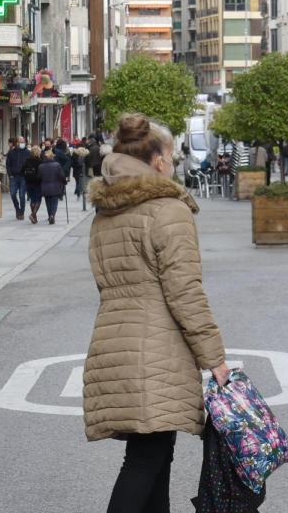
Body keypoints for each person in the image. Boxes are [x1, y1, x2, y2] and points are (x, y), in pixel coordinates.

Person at [84, 114, 229, 511]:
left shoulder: (106, 210)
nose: (172, 158)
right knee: (146, 457)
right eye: (169, 152)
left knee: (156, 451)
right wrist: (213, 357)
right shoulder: (167, 209)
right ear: (157, 159)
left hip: (113, 341)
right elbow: (184, 291)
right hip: (156, 350)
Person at [6, 136, 30, 220]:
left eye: (23, 141)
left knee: (22, 195)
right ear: (17, 143)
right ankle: (17, 209)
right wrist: (10, 175)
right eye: (20, 142)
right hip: (14, 177)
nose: (22, 143)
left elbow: (30, 165)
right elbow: (8, 165)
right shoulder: (11, 152)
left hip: (23, 177)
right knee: (12, 194)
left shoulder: (28, 152)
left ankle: (22, 212)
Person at [39, 150, 65, 224]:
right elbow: (61, 176)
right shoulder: (57, 165)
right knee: (54, 202)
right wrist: (64, 182)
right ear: (52, 157)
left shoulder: (41, 166)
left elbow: (39, 177)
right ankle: (52, 215)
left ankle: (50, 215)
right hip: (55, 187)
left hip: (45, 187)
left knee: (48, 202)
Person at [23, 146, 44, 224]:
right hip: (38, 183)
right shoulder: (40, 161)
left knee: (32, 199)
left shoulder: (27, 161)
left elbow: (22, 171)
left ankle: (34, 217)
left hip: (29, 183)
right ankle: (33, 214)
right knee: (38, 199)